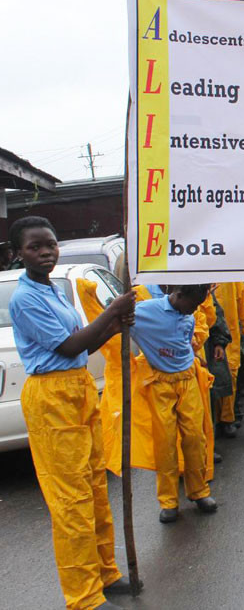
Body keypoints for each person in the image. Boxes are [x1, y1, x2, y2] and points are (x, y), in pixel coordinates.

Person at [8, 216, 138, 610]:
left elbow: (85, 346)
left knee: (96, 486)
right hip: (51, 398)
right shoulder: (24, 298)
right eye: (35, 247)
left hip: (79, 388)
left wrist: (115, 326)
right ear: (18, 254)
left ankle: (104, 572)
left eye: (50, 244)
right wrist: (111, 310)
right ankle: (83, 596)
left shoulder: (54, 290)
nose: (46, 251)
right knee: (71, 499)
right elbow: (66, 346)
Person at [132, 285, 219, 523]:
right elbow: (116, 322)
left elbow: (185, 343)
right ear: (179, 295)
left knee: (195, 438)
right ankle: (169, 501)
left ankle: (199, 491)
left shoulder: (188, 316)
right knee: (165, 443)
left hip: (187, 379)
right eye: (192, 305)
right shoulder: (143, 311)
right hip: (159, 384)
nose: (193, 311)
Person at [213, 282, 244, 438]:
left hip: (229, 335)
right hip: (205, 335)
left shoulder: (232, 277)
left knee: (230, 375)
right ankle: (215, 422)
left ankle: (227, 419)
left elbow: (243, 302)